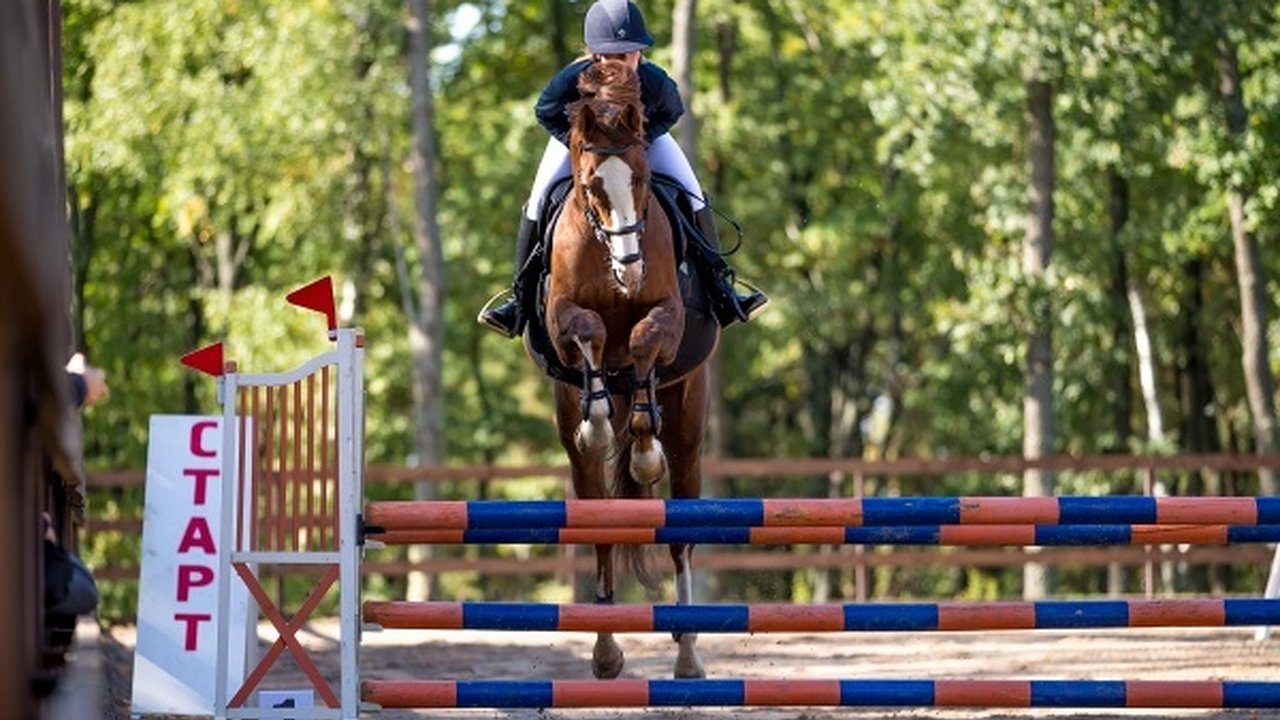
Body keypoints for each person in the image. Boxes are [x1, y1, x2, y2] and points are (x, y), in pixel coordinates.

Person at [478, 0, 767, 339]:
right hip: (582, 145)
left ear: (640, 52)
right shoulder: (571, 80)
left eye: (628, 54)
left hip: (641, 143)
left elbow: (671, 112)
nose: (621, 62)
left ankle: (721, 289)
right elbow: (545, 112)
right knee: (539, 200)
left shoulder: (655, 81)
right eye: (611, 56)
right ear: (595, 55)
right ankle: (520, 299)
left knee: (693, 192)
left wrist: (639, 144)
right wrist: (578, 146)